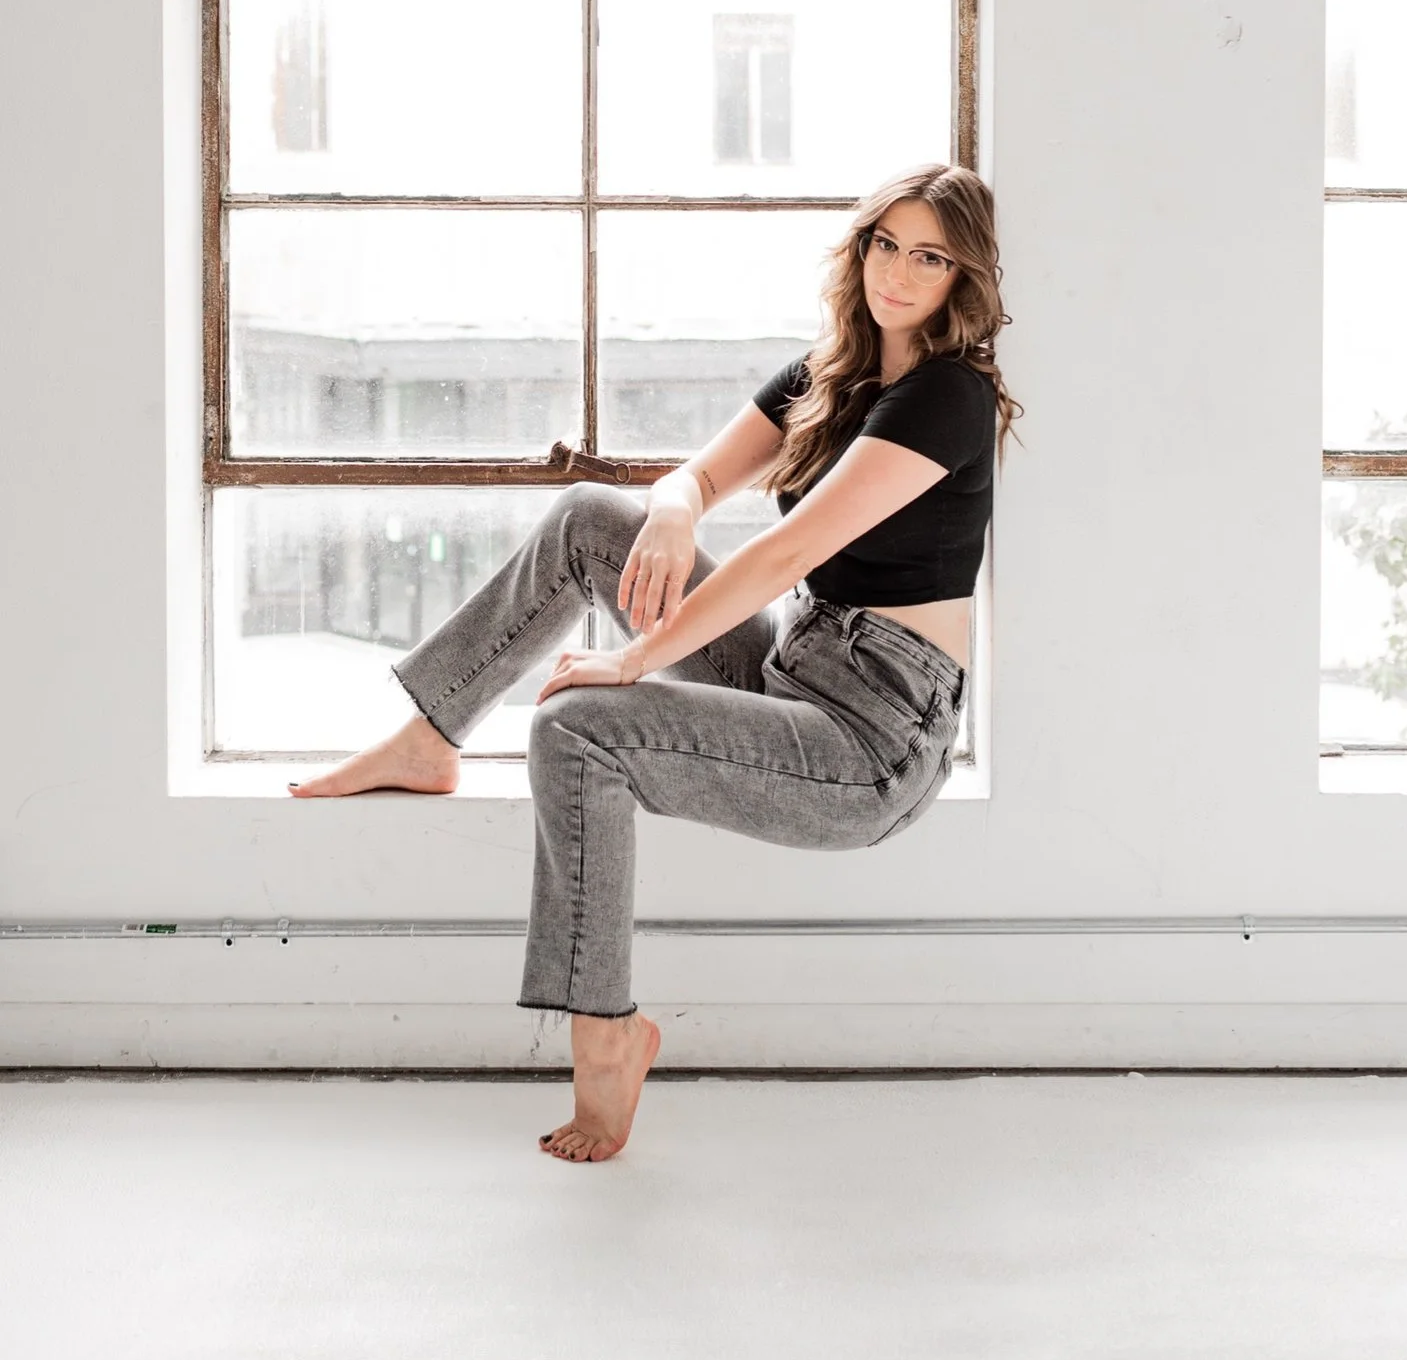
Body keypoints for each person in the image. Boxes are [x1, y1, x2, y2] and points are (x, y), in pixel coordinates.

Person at [289, 162, 1022, 1163]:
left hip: (873, 742)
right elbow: (694, 476)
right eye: (885, 245)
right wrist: (676, 511)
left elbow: (786, 554)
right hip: (798, 667)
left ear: (962, 276)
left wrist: (635, 660)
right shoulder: (834, 372)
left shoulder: (949, 396)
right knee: (595, 517)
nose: (897, 273)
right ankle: (429, 734)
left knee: (577, 727)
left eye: (928, 257)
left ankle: (606, 1035)